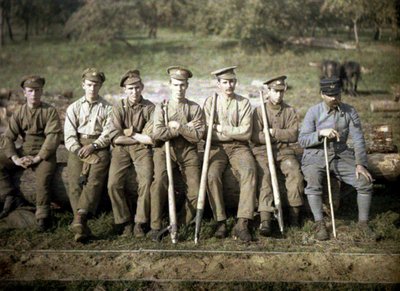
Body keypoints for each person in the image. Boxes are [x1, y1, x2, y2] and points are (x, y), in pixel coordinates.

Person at [299, 77, 373, 241]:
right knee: (313, 182)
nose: (334, 98)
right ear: (322, 94)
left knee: (364, 181)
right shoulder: (313, 112)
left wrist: (360, 164)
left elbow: (359, 139)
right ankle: (319, 223)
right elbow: (303, 139)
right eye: (329, 95)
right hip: (315, 155)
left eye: (337, 94)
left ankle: (363, 224)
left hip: (341, 155)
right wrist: (320, 133)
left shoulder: (349, 111)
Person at [148, 66, 205, 240]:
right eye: (176, 84)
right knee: (159, 182)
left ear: (187, 86)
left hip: (188, 150)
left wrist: (177, 126)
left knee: (196, 191)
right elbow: (157, 134)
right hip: (165, 149)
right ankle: (156, 226)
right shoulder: (162, 108)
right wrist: (183, 129)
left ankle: (178, 224)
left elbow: (197, 137)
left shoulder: (194, 108)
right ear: (170, 85)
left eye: (182, 85)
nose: (179, 88)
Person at [0, 75, 62, 231]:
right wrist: (15, 158)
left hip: (44, 154)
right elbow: (8, 136)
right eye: (30, 91)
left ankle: (43, 216)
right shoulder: (20, 112)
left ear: (42, 91)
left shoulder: (50, 111)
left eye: (37, 90)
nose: (34, 94)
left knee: (42, 180)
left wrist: (37, 158)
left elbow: (53, 137)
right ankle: (9, 196)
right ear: (24, 93)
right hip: (24, 151)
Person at [203, 66, 256, 242]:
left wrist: (221, 128)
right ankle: (220, 220)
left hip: (239, 147)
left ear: (236, 82)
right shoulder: (210, 103)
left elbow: (246, 134)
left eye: (232, 81)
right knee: (211, 175)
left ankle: (242, 222)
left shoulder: (244, 103)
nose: (229, 85)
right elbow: (207, 133)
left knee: (248, 170)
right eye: (225, 82)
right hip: (216, 147)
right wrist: (232, 131)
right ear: (218, 84)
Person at [64, 68, 112, 242]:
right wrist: (78, 149)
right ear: (83, 85)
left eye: (96, 85)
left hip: (98, 146)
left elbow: (108, 132)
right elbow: (69, 134)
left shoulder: (107, 107)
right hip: (78, 146)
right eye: (89, 84)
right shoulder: (74, 107)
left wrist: (94, 145)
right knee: (75, 182)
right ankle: (81, 227)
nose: (92, 88)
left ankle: (79, 219)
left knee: (94, 181)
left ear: (100, 86)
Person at [251, 76, 303, 236]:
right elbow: (254, 136)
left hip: (284, 152)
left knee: (295, 172)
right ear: (268, 91)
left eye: (281, 91)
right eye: (275, 91)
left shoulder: (289, 111)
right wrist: (264, 136)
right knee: (264, 175)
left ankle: (294, 216)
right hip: (262, 152)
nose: (279, 95)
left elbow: (293, 134)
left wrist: (274, 133)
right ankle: (265, 218)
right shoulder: (259, 111)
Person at [107, 70, 155, 238]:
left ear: (141, 87)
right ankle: (124, 221)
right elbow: (115, 137)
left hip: (143, 150)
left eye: (136, 88)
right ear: (124, 90)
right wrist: (138, 138)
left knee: (147, 181)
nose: (134, 92)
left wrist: (130, 134)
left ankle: (140, 222)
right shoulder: (118, 107)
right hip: (122, 150)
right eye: (130, 88)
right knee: (113, 183)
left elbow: (151, 137)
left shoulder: (149, 107)